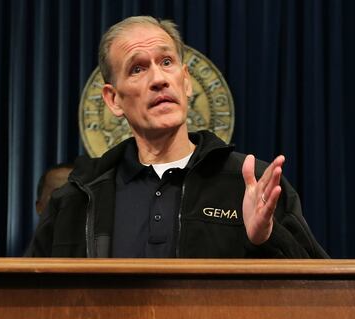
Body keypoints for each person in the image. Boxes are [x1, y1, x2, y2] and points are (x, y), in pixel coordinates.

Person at [29, 16, 327, 258]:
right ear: (113, 99)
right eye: (137, 68)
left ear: (185, 81)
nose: (159, 79)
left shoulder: (252, 184)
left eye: (167, 62)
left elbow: (318, 294)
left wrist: (266, 238)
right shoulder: (76, 199)